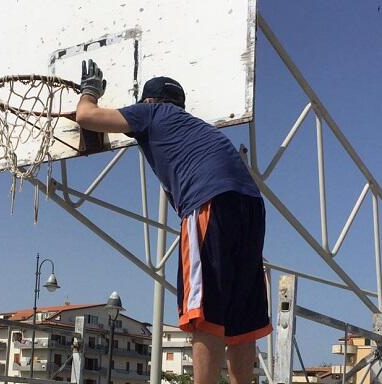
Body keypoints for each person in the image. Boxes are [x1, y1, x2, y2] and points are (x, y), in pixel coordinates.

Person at [72, 59, 270, 384]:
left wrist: (90, 91)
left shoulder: (149, 113)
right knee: (242, 316)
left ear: (148, 101)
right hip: (251, 206)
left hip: (209, 200)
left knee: (205, 310)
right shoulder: (201, 127)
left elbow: (86, 117)